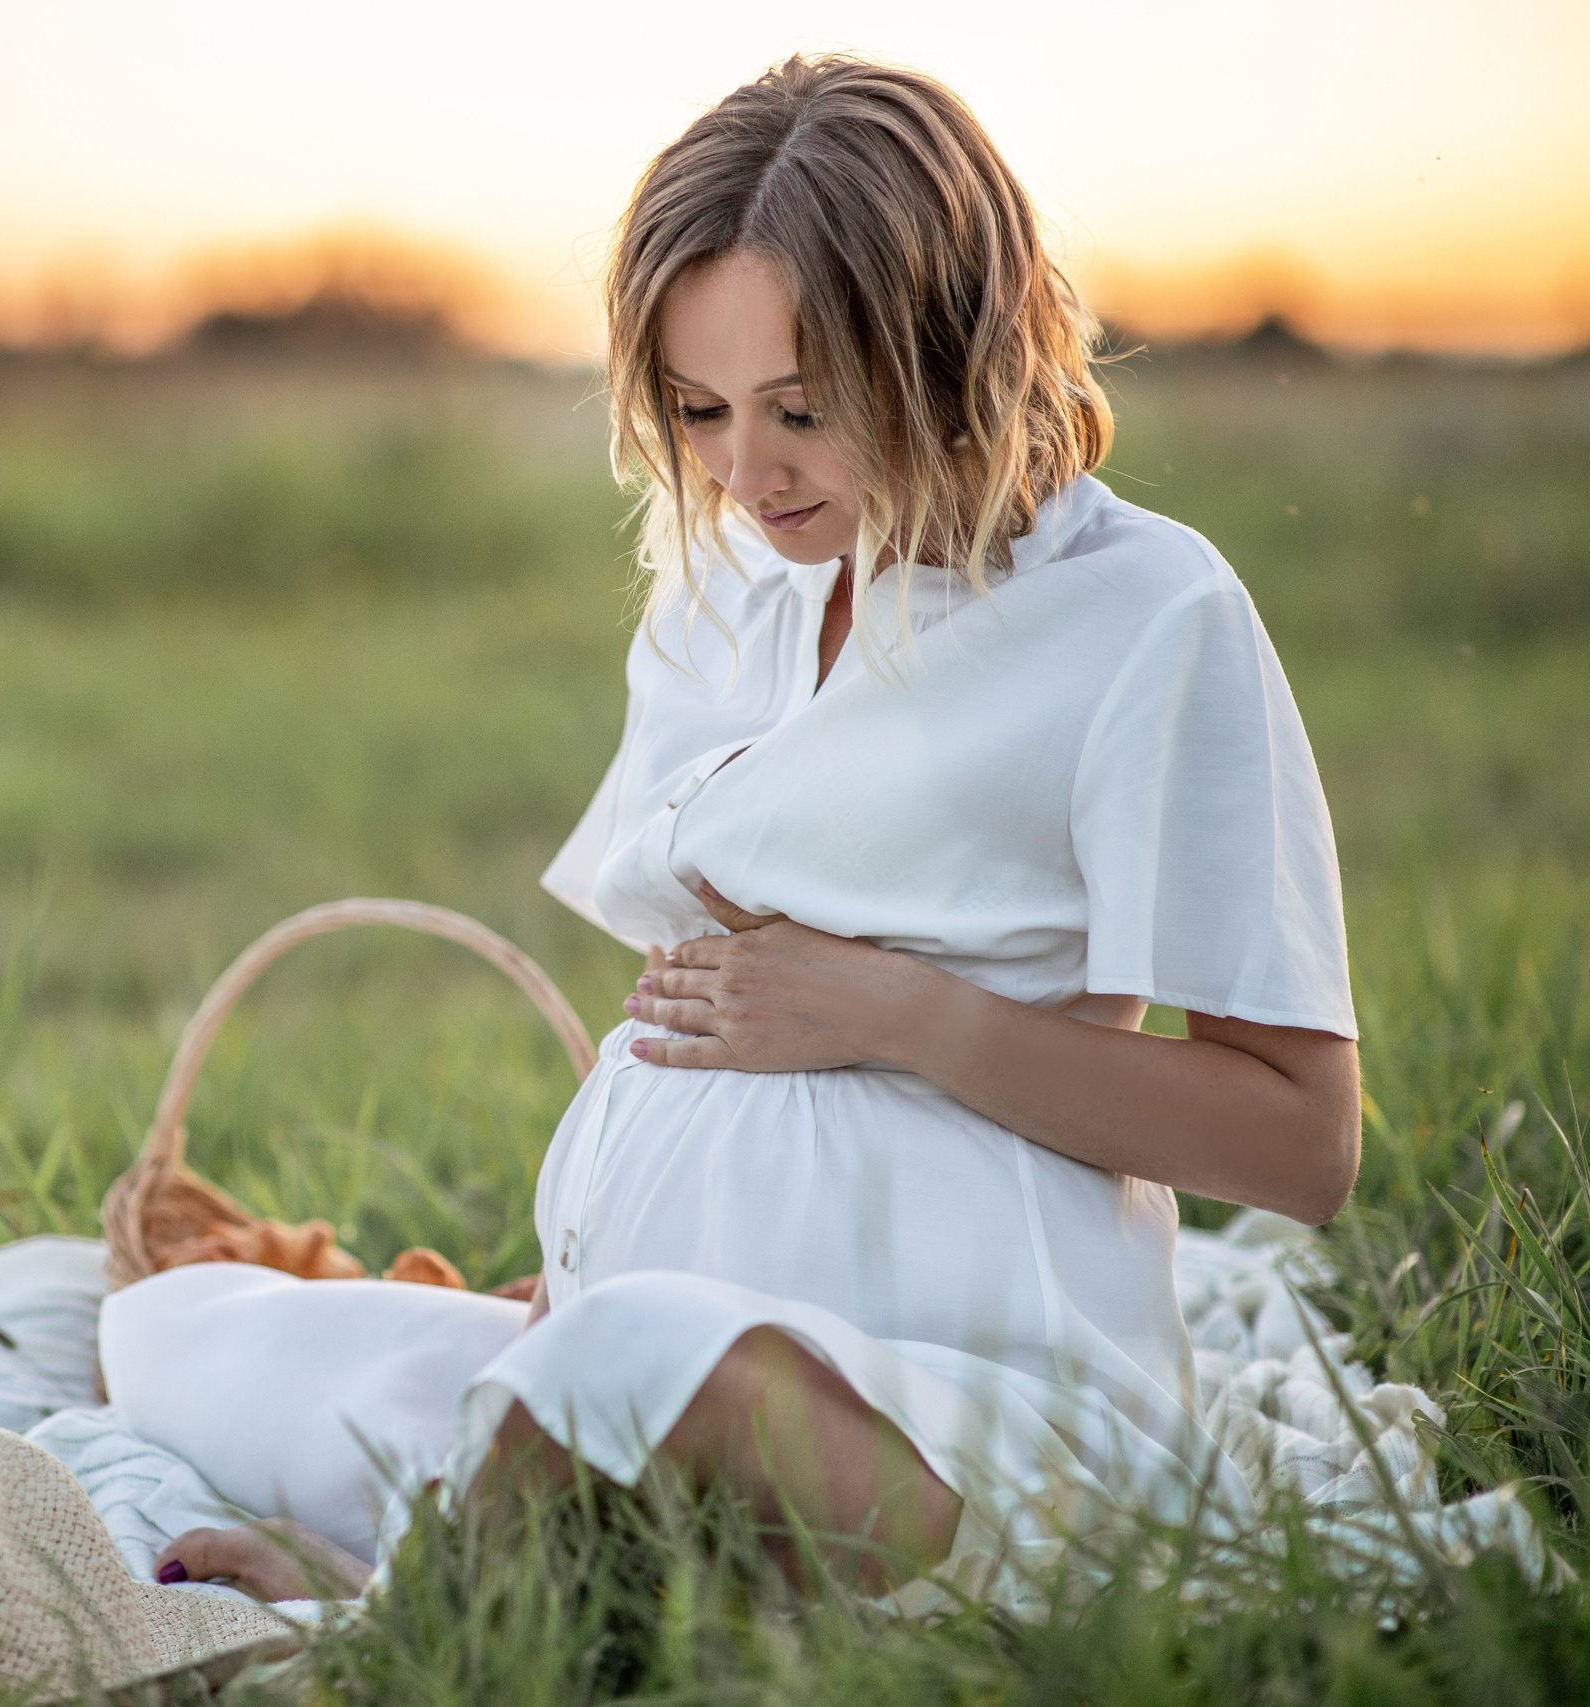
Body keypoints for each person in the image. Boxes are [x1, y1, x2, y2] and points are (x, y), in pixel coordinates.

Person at [103, 52, 1360, 1605]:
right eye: (700, 409)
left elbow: (1304, 1143)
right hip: (649, 1315)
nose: (746, 472)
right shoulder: (729, 586)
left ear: (951, 351)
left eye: (806, 411)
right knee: (184, 1327)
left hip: (952, 1400)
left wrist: (907, 1016)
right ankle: (546, 1451)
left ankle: (403, 1602)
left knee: (647, 1367)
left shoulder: (1146, 614)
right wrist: (576, 1264)